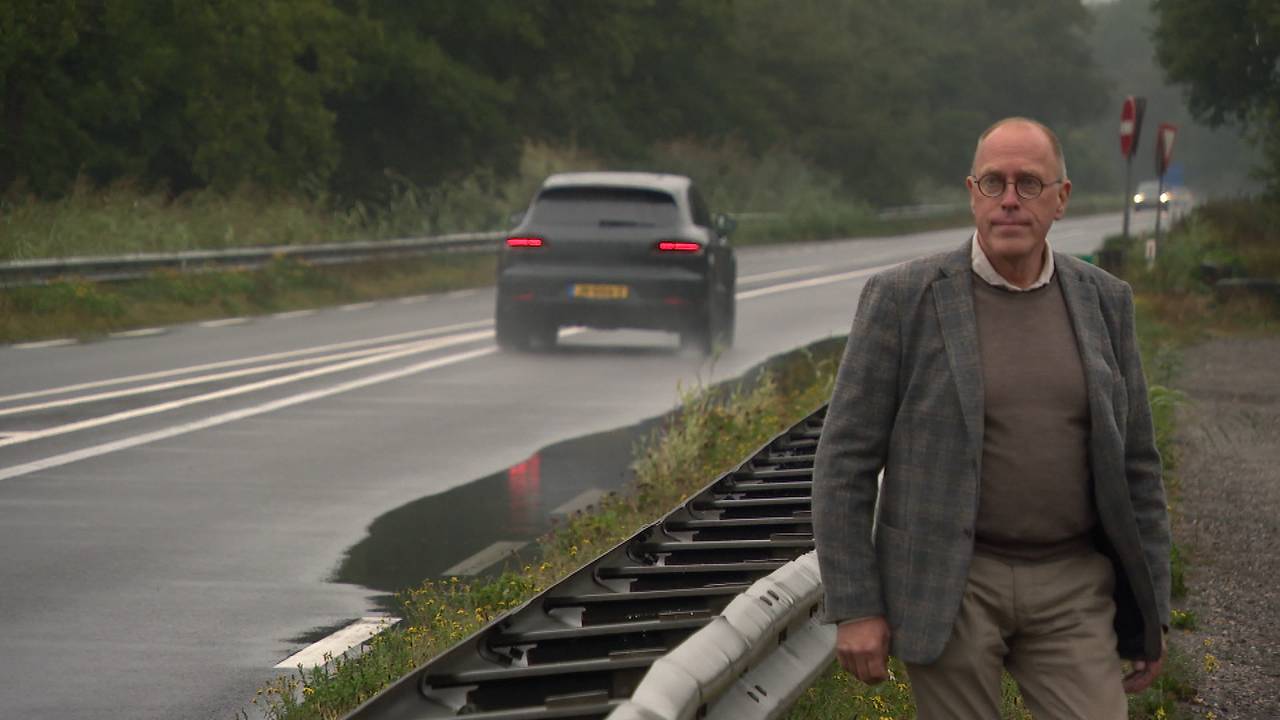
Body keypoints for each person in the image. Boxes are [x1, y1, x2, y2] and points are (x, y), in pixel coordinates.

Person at [812, 117, 1171, 718]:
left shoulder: (1105, 301)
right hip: (952, 583)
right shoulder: (904, 298)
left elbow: (1138, 466)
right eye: (993, 182)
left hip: (1073, 582)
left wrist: (1152, 608)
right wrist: (856, 606)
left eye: (1029, 183)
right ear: (971, 193)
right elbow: (843, 462)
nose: (1009, 199)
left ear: (1062, 198)